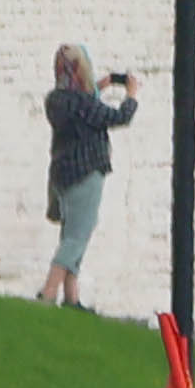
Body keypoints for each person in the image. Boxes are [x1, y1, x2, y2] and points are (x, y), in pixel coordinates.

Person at [37, 41, 140, 309]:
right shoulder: (83, 102)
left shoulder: (55, 100)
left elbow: (84, 112)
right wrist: (132, 95)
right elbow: (118, 117)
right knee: (78, 236)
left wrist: (99, 87)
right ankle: (49, 293)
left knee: (70, 232)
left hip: (61, 172)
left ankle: (72, 297)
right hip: (87, 172)